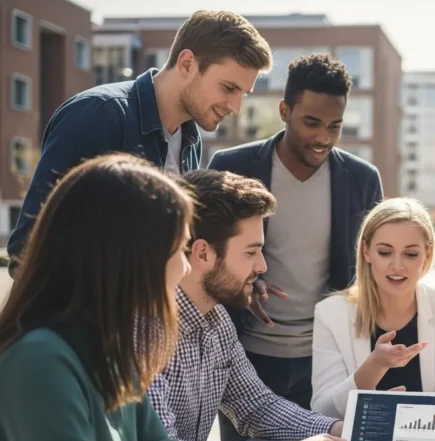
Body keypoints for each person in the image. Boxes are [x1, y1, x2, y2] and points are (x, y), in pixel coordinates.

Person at [0, 154, 339, 441]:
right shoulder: (40, 362)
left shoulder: (110, 348)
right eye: (176, 249)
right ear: (125, 255)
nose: (183, 267)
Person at [7, 10, 272, 277]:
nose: (236, 107)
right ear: (187, 63)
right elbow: (28, 247)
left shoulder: (191, 140)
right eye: (228, 88)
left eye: (243, 94)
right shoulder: (99, 115)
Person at [209, 54, 383, 436]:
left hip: (326, 360)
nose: (323, 137)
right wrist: (241, 283)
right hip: (245, 358)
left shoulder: (362, 179)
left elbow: (374, 271)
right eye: (311, 123)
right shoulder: (231, 165)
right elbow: (206, 257)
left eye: (335, 126)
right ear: (284, 110)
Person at [148, 169, 354, 441]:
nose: (262, 266)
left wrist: (336, 431)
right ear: (203, 253)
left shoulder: (217, 322)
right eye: (251, 251)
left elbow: (257, 406)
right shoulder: (144, 332)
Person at [312, 198, 435, 419]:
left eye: (410, 254)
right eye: (385, 252)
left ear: (427, 254)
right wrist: (374, 366)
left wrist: (396, 416)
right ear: (366, 251)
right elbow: (323, 411)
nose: (397, 265)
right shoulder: (330, 313)